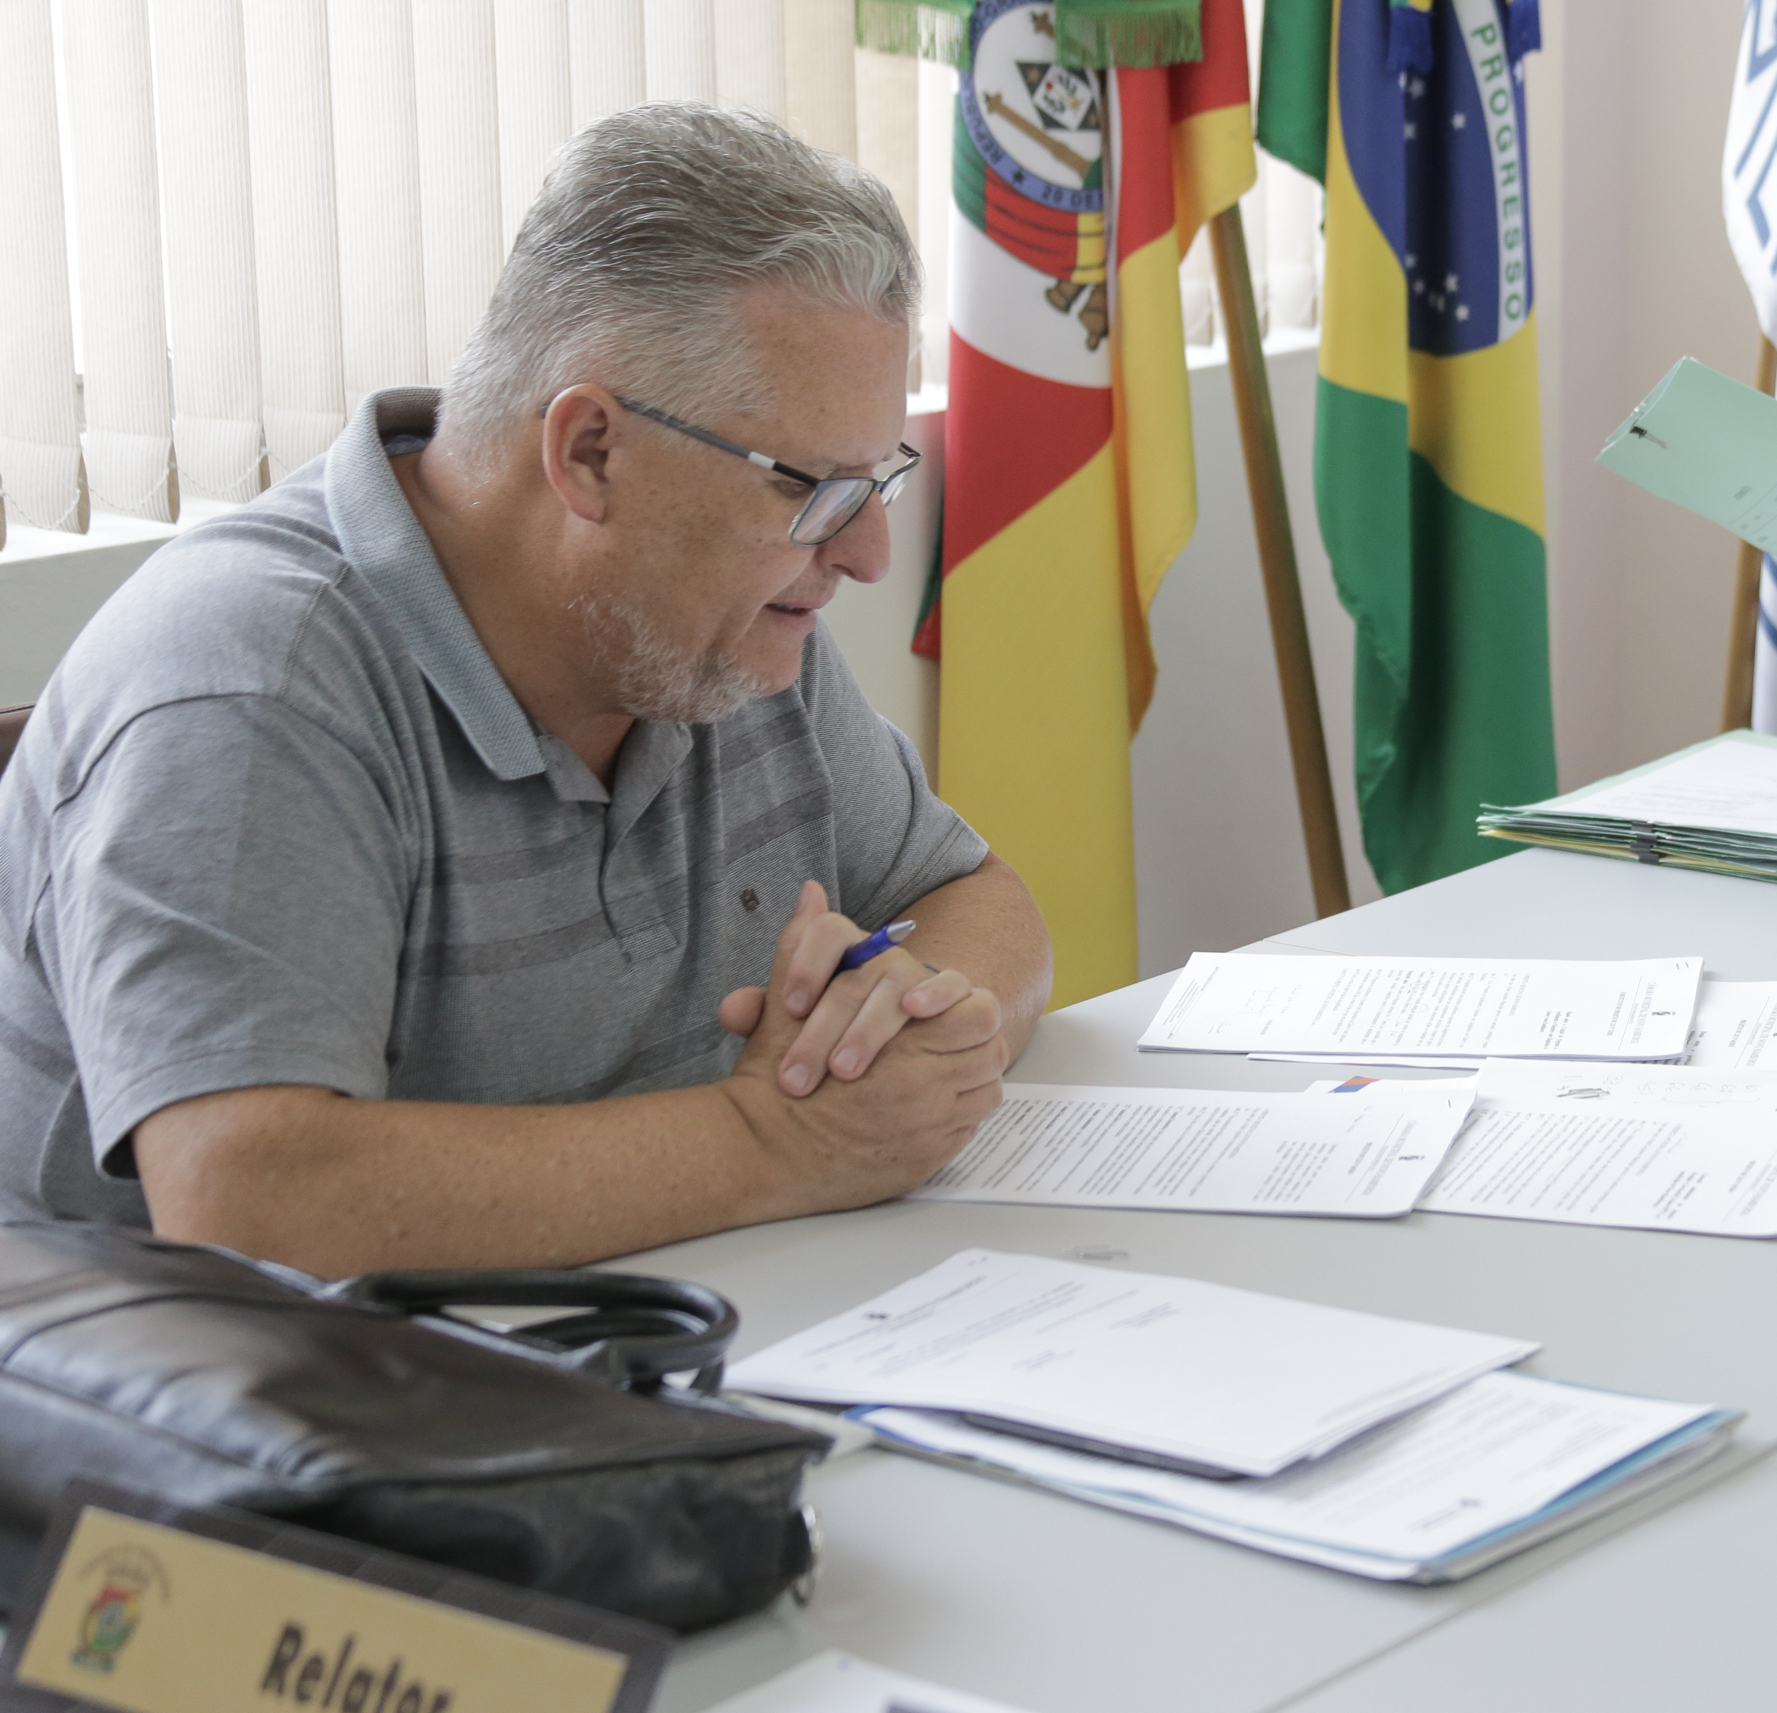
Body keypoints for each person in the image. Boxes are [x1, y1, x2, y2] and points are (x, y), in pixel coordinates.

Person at [0, 105, 1052, 1275]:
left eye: (877, 482)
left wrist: (920, 1025)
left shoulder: (713, 635)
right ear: (590, 451)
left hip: (651, 1340)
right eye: (813, 489)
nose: (864, 556)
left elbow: (970, 892)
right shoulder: (248, 684)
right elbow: (250, 1198)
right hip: (211, 1416)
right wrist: (776, 1138)